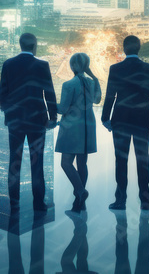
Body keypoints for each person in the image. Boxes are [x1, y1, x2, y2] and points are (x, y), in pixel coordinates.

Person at [0, 33, 58, 211]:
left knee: (14, 161)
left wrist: (9, 113)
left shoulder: (8, 64)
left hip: (15, 120)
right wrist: (53, 117)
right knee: (37, 162)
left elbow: (3, 93)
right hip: (37, 120)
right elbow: (49, 92)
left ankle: (14, 203)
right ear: (35, 45)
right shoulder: (42, 65)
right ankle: (39, 203)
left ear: (20, 45)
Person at [101, 35, 149, 211]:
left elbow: (111, 94)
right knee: (143, 159)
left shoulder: (116, 68)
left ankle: (120, 200)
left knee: (121, 159)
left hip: (121, 118)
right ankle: (145, 200)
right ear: (139, 48)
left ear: (124, 49)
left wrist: (105, 117)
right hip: (143, 119)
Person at [56, 53, 101, 213]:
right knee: (82, 163)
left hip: (72, 128)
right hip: (88, 126)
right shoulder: (91, 82)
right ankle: (79, 201)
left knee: (66, 163)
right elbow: (97, 100)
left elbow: (62, 109)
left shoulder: (69, 84)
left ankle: (81, 192)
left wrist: (46, 103)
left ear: (73, 66)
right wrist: (94, 76)